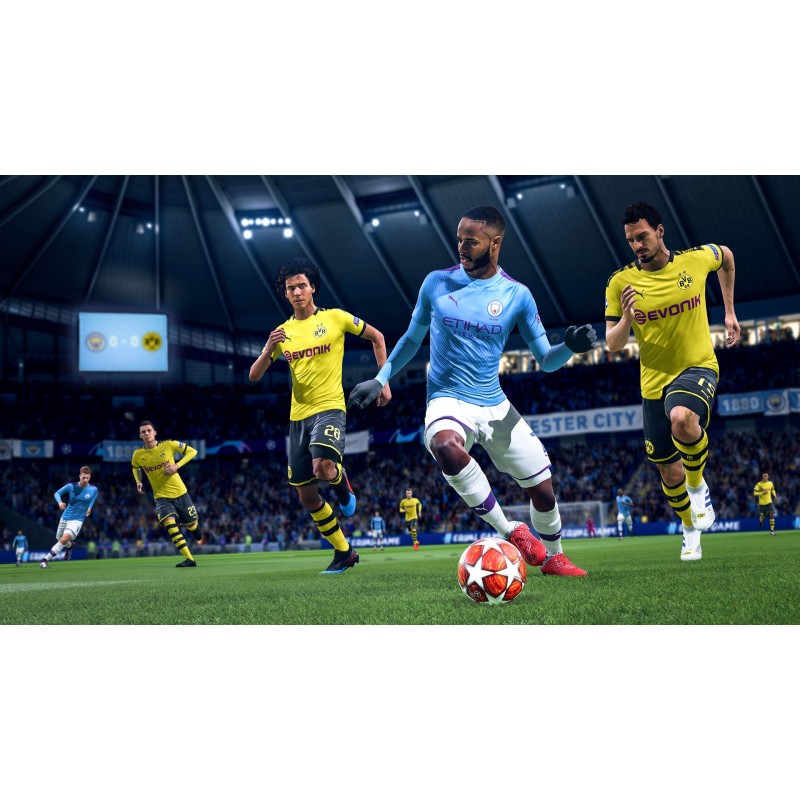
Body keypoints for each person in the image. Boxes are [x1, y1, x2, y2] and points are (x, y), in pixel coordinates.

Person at [349, 205, 595, 576]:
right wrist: (381, 378)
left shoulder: (517, 295)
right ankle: (510, 530)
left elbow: (546, 360)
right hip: (447, 398)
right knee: (445, 445)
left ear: (494, 244)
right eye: (459, 239)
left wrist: (570, 347)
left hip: (495, 404)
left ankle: (554, 557)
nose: (461, 248)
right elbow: (413, 339)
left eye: (471, 241)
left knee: (543, 490)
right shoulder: (436, 282)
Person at [605, 201, 740, 562]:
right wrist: (627, 318)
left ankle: (698, 488)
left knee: (682, 418)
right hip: (653, 383)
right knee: (668, 469)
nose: (637, 245)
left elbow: (726, 256)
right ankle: (689, 527)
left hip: (698, 365)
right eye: (631, 240)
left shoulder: (695, 260)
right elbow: (613, 344)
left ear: (660, 231)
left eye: (642, 236)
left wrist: (729, 310)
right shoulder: (620, 282)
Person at [249, 257, 391, 575]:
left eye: (302, 285)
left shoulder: (336, 318)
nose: (297, 292)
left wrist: (383, 380)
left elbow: (378, 337)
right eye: (291, 288)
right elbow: (254, 376)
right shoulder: (282, 333)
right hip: (298, 418)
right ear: (285, 294)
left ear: (313, 287)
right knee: (307, 497)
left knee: (322, 466)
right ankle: (344, 552)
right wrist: (267, 349)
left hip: (330, 407)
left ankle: (340, 481)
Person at [132, 420, 202, 567]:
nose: (146, 433)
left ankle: (194, 528)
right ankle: (190, 559)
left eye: (149, 430)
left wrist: (176, 466)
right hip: (161, 497)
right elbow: (135, 467)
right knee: (171, 526)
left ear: (155, 432)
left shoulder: (168, 444)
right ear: (140, 436)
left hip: (180, 493)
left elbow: (193, 452)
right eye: (143, 432)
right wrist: (138, 481)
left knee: (191, 524)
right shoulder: (138, 454)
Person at [40, 466, 98, 567]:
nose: (85, 480)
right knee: (59, 538)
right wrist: (60, 502)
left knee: (64, 538)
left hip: (77, 520)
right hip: (65, 516)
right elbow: (57, 493)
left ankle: (45, 560)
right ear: (79, 476)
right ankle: (70, 545)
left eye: (87, 478)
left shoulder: (93, 489)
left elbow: (94, 496)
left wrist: (90, 507)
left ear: (90, 477)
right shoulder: (71, 486)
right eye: (83, 477)